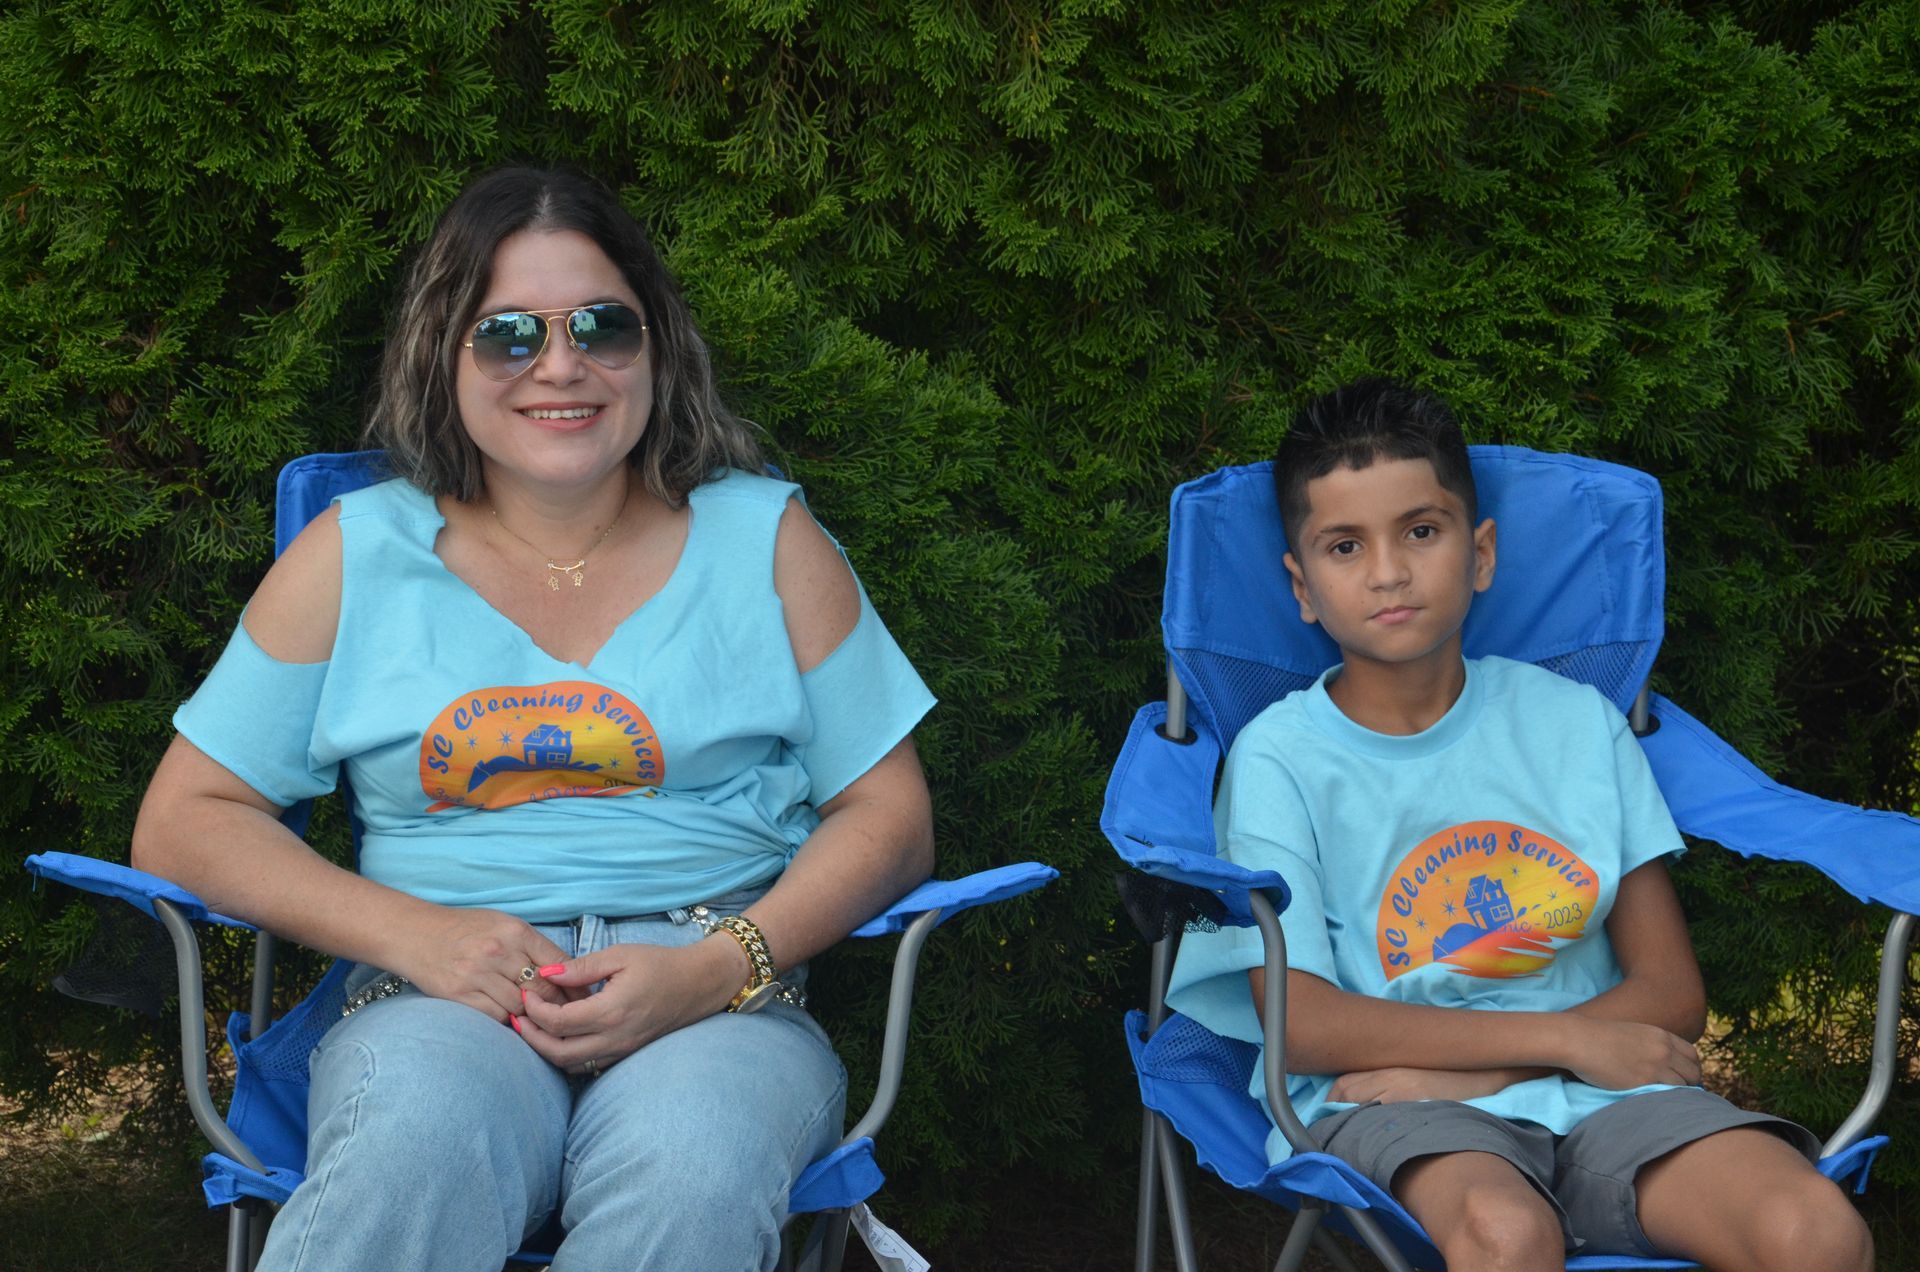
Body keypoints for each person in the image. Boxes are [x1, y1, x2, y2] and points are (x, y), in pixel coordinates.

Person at [130, 165, 937, 1271]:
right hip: (435, 996)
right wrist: (418, 937)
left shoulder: (769, 544)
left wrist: (721, 961)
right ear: (440, 354)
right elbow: (186, 817)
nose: (562, 365)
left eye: (604, 326)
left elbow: (889, 815)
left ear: (658, 350)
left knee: (694, 1167)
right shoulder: (358, 557)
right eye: (506, 334)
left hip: (716, 1003)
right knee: (411, 1144)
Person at [1166, 380, 1872, 1270]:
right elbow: (1301, 1024)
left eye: (1421, 531)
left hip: (1608, 1098)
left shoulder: (1577, 725)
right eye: (1346, 546)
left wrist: (1502, 1070)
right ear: (1303, 587)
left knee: (1815, 1229)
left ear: (1482, 551)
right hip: (1400, 1109)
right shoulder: (1280, 759)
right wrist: (1566, 1039)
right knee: (1507, 1234)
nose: (1388, 571)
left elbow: (1671, 992)